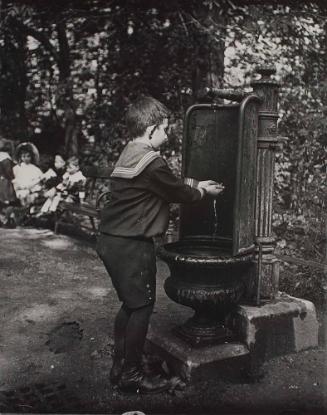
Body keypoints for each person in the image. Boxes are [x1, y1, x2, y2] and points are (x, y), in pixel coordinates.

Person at [96, 96, 224, 394]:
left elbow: (164, 183)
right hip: (131, 245)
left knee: (131, 304)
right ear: (152, 129)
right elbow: (176, 190)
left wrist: (194, 184)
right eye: (166, 129)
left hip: (112, 241)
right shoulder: (152, 161)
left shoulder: (131, 152)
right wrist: (203, 192)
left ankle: (121, 364)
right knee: (142, 306)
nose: (168, 134)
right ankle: (131, 374)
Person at [12, 142, 43, 207]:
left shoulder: (35, 169)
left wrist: (32, 188)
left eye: (28, 156)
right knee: (22, 195)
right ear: (20, 157)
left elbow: (39, 180)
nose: (26, 158)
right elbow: (15, 181)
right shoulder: (17, 168)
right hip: (21, 190)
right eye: (23, 156)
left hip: (32, 190)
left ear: (31, 157)